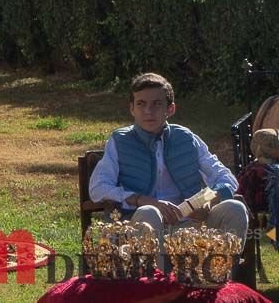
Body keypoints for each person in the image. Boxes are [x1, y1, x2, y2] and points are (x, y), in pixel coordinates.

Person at [88, 73, 250, 269]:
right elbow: (98, 188)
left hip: (188, 225)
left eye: (156, 104)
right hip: (138, 225)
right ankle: (158, 291)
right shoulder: (119, 140)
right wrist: (141, 200)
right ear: (132, 108)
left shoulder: (186, 138)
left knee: (235, 208)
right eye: (141, 104)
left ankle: (217, 284)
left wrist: (209, 201)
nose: (148, 111)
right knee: (150, 212)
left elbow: (226, 178)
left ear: (170, 109)